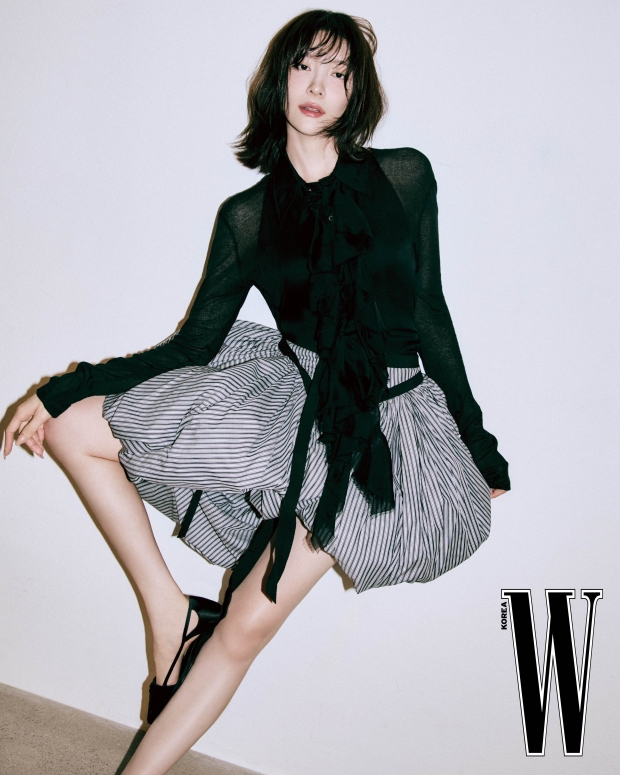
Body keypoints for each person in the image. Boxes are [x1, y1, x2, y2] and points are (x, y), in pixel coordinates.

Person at [3, 9, 509, 774]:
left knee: (245, 625)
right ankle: (170, 614)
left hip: (383, 429)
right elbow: (192, 346)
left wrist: (478, 442)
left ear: (356, 94)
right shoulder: (247, 217)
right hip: (295, 404)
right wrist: (62, 388)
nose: (319, 85)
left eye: (339, 73)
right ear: (280, 78)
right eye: (306, 65)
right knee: (73, 427)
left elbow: (431, 313)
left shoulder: (405, 177)